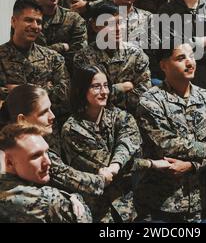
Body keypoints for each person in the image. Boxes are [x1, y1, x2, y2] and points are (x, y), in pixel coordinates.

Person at [135, 41, 206, 222]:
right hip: (160, 202)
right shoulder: (150, 101)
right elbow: (166, 146)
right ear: (163, 65)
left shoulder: (205, 97)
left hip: (199, 199)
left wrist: (192, 166)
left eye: (192, 57)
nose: (190, 62)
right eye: (181, 58)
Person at [0, 84, 113, 212]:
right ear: (22, 119)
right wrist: (102, 179)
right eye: (43, 112)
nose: (52, 116)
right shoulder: (25, 150)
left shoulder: (22, 139)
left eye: (50, 109)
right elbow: (68, 177)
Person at [62, 65, 142, 222]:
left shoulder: (121, 117)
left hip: (127, 205)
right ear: (82, 89)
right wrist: (153, 164)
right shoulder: (72, 129)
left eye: (106, 86)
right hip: (94, 210)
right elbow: (101, 164)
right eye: (96, 86)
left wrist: (116, 164)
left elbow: (129, 143)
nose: (104, 91)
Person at [0, 123, 92, 223]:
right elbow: (85, 218)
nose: (48, 162)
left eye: (46, 152)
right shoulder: (45, 200)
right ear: (9, 162)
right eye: (36, 155)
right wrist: (75, 199)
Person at [74, 3, 151, 115]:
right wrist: (121, 88)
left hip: (132, 115)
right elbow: (85, 96)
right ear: (95, 26)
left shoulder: (136, 54)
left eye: (120, 23)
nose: (117, 29)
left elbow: (144, 95)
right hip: (95, 115)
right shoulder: (83, 57)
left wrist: (107, 93)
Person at [0, 0, 70, 123]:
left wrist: (18, 91)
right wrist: (45, 89)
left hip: (46, 130)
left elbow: (64, 95)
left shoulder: (54, 58)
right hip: (8, 130)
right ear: (13, 21)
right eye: (28, 20)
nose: (35, 26)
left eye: (39, 22)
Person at [32, 0, 87, 73]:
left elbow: (78, 58)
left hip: (65, 78)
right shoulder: (26, 19)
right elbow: (22, 53)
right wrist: (61, 47)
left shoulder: (74, 19)